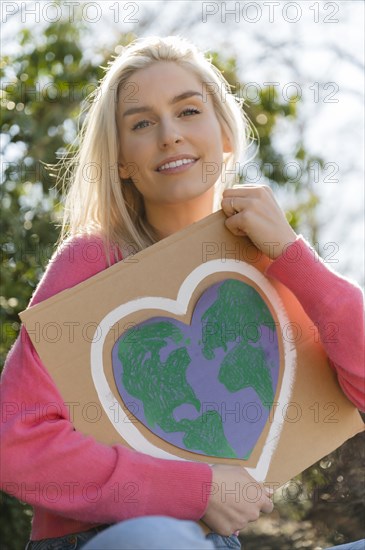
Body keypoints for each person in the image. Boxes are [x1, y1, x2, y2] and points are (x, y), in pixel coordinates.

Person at [1, 35, 364, 550]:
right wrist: (195, 490)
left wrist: (292, 255)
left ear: (226, 135)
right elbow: (15, 443)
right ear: (122, 159)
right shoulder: (91, 260)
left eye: (188, 111)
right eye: (142, 123)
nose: (169, 135)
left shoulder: (270, 259)